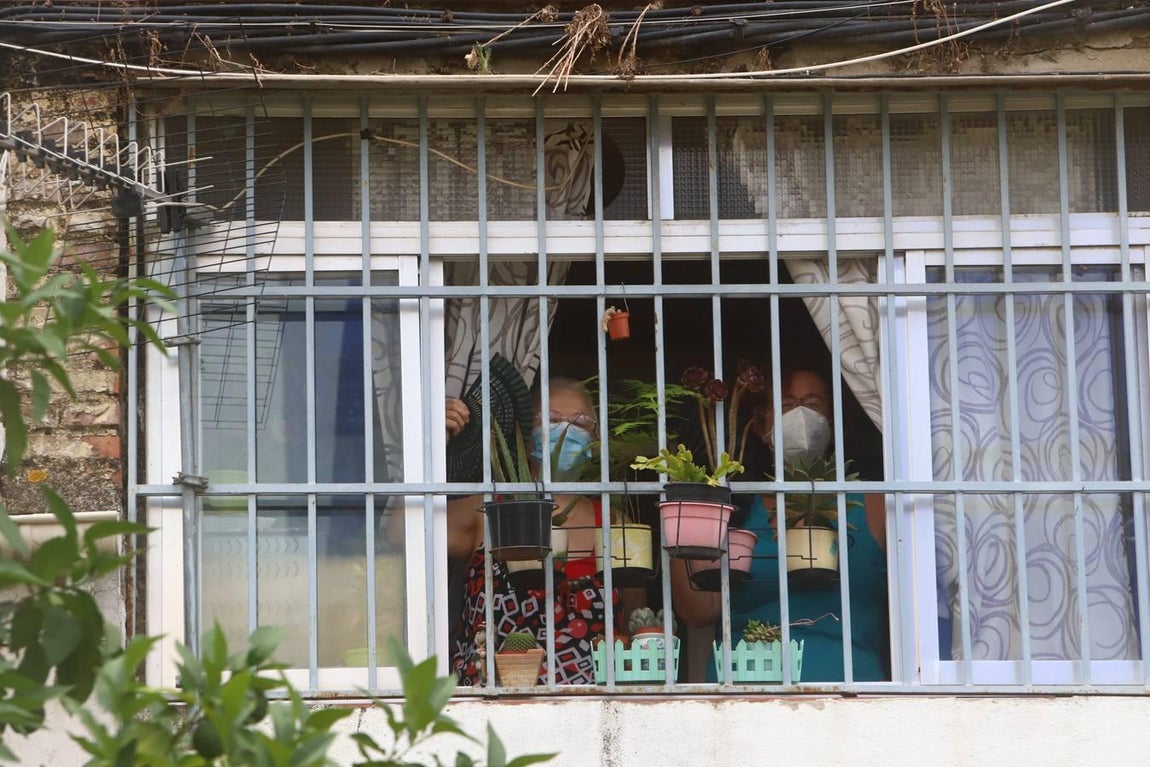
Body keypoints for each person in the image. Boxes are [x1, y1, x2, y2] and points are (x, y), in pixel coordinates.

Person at [671, 368, 889, 683]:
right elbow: (696, 610)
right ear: (760, 426)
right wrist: (686, 502)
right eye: (786, 406)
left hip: (851, 700)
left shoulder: (873, 502)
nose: (800, 415)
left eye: (813, 404)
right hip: (742, 698)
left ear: (833, 417)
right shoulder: (738, 506)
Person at [446, 377, 633, 685]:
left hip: (592, 708)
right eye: (551, 420)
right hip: (490, 703)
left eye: (581, 422)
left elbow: (632, 629)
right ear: (523, 431)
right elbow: (403, 532)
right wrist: (438, 441)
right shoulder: (487, 510)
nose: (565, 431)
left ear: (596, 436)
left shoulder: (615, 522)